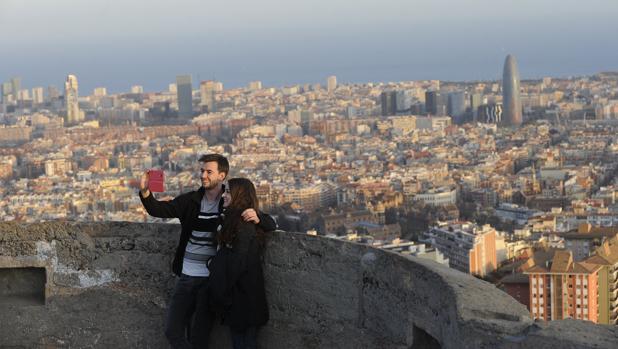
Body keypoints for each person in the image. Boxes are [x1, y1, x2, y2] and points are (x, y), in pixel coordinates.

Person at [138, 154, 276, 349]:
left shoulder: (229, 201)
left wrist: (259, 218)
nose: (203, 175)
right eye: (202, 171)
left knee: (200, 335)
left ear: (222, 175)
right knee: (172, 329)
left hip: (210, 281)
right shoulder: (191, 201)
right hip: (187, 275)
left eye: (208, 172)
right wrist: (145, 192)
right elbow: (159, 210)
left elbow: (267, 222)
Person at [214, 177, 269, 349]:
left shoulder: (242, 223)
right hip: (242, 298)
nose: (224, 195)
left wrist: (221, 293)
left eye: (229, 191)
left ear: (240, 195)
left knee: (242, 342)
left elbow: (237, 264)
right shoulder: (231, 218)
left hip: (241, 299)